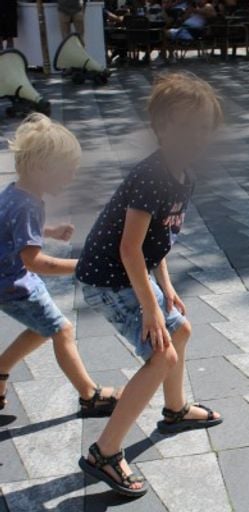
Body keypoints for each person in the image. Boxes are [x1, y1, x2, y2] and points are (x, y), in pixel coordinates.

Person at [76, 73, 223, 497]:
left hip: (133, 271)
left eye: (203, 127)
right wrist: (151, 306)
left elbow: (159, 241)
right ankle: (104, 452)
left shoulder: (184, 176)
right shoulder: (152, 176)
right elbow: (128, 248)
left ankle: (175, 410)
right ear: (160, 128)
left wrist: (166, 285)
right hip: (109, 278)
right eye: (183, 126)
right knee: (161, 353)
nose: (194, 136)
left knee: (182, 329)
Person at [0, 114, 122, 418]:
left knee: (43, 328)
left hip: (8, 277)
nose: (70, 179)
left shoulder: (16, 193)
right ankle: (89, 395)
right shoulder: (28, 204)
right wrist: (82, 266)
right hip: (13, 283)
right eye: (66, 172)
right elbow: (35, 261)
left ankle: (0, 371)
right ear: (43, 169)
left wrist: (50, 231)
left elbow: (14, 231)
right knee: (62, 330)